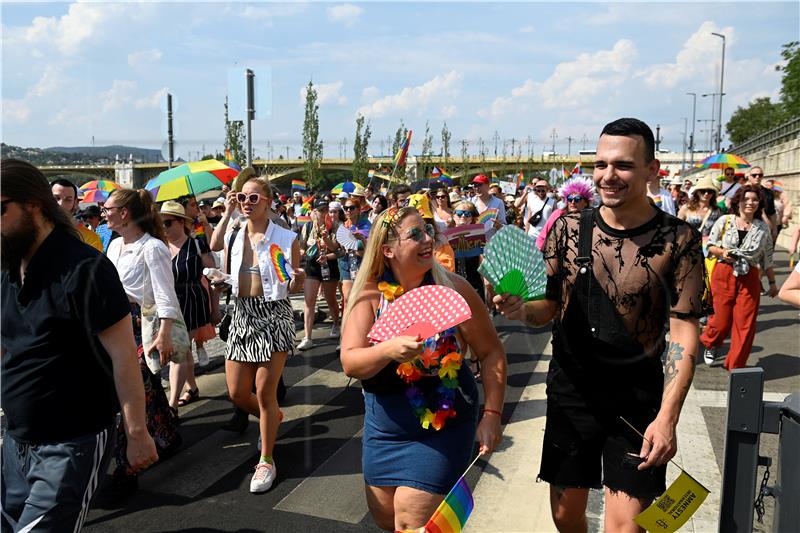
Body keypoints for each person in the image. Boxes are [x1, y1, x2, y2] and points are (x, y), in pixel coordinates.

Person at [495, 118, 704, 532]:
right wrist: (521, 309)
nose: (609, 175)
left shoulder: (679, 239)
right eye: (601, 164)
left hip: (637, 401)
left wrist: (668, 417)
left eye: (623, 165)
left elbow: (684, 334)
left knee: (628, 527)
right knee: (565, 516)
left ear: (652, 169)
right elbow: (546, 308)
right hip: (572, 394)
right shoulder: (569, 227)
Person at [1, 159, 158, 532]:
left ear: (33, 206)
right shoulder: (8, 266)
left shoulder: (86, 269)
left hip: (71, 441)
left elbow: (123, 357)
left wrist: (137, 434)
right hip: (16, 439)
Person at [340, 206, 506, 531]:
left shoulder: (455, 289)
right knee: (388, 519)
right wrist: (388, 349)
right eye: (415, 234)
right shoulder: (371, 297)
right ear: (388, 249)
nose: (428, 239)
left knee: (410, 522)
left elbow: (491, 353)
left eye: (428, 231)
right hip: (385, 430)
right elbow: (350, 361)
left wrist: (492, 415)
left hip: (444, 427)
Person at [219, 175, 304, 493]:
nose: (246, 203)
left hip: (272, 316)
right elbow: (229, 274)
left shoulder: (285, 238)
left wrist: (297, 278)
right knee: (237, 393)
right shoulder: (234, 234)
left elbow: (290, 285)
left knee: (264, 391)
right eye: (242, 197)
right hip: (241, 315)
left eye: (253, 198)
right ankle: (273, 417)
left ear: (268, 201)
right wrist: (219, 281)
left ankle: (266, 460)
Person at [103, 188, 186, 498]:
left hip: (143, 328)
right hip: (116, 325)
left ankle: (127, 470)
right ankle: (167, 437)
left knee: (132, 393)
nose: (104, 212)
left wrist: (165, 334)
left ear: (125, 213)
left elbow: (166, 295)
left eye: (109, 208)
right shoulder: (113, 246)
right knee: (145, 391)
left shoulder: (153, 248)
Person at [700, 185, 778, 369]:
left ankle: (736, 365)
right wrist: (723, 251)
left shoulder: (762, 228)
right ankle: (711, 343)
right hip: (724, 272)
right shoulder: (725, 220)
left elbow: (767, 258)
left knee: (745, 323)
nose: (750, 203)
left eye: (755, 200)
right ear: (738, 202)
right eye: (746, 199)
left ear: (760, 204)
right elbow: (709, 245)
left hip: (749, 275)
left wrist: (773, 283)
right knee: (720, 321)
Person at [160, 201, 217, 409]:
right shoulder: (159, 247)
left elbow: (213, 277)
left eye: (167, 222)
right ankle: (191, 387)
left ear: (181, 222)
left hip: (192, 301)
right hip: (169, 303)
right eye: (160, 223)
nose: (163, 227)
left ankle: (172, 404)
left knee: (179, 350)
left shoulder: (196, 244)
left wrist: (216, 308)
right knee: (184, 350)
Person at [298, 199, 342, 351]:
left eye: (325, 210)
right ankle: (307, 337)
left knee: (330, 299)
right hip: (312, 265)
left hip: (329, 264)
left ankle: (336, 323)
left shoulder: (335, 226)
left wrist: (325, 237)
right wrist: (302, 252)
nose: (322, 214)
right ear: (313, 211)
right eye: (319, 210)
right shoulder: (308, 226)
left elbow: (336, 248)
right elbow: (302, 245)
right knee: (309, 300)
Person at [536, 177, 595, 250]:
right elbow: (543, 236)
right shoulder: (558, 214)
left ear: (586, 202)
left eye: (577, 199)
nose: (572, 202)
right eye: (570, 198)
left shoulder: (591, 218)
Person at [50, 178, 104, 252]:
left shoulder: (90, 238)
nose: (61, 204)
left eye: (68, 200)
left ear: (75, 203)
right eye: (56, 198)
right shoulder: (35, 232)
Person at [339, 197, 372, 310]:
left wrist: (362, 239)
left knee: (361, 299)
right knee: (347, 297)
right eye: (345, 208)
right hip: (347, 263)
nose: (348, 210)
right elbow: (339, 249)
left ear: (358, 210)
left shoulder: (366, 225)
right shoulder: (344, 226)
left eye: (351, 208)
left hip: (362, 264)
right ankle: (346, 326)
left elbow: (371, 249)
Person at [677, 177, 723, 241]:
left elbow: (721, 231)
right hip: (689, 246)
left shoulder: (717, 211)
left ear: (713, 194)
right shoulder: (686, 208)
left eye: (709, 191)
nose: (706, 194)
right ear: (697, 192)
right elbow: (677, 228)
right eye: (703, 191)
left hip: (708, 247)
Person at [470, 174, 506, 240]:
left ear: (487, 185)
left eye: (479, 185)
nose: (477, 188)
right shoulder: (470, 202)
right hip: (474, 242)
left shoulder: (498, 202)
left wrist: (498, 225)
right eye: (475, 186)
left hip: (492, 242)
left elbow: (504, 225)